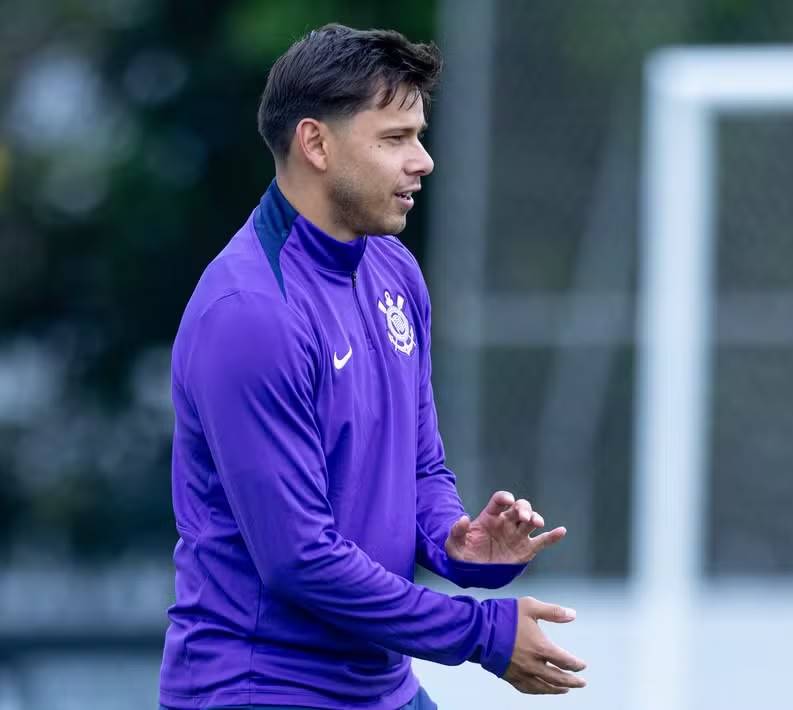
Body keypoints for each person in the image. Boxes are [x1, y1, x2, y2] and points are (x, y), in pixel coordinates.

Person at [158, 23, 587, 710]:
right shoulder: (250, 313)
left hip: (379, 688)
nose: (423, 161)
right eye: (394, 139)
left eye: (418, 135)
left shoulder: (393, 271)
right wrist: (483, 634)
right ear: (316, 143)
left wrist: (457, 542)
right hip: (263, 690)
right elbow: (300, 560)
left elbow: (418, 466)